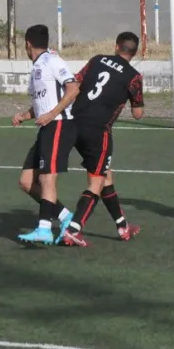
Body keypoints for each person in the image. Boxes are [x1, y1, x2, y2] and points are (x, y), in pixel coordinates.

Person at [60, 32, 144, 247]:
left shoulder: (97, 59)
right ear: (134, 53)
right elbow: (138, 114)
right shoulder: (133, 77)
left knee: (106, 174)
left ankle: (122, 225)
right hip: (98, 131)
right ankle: (74, 229)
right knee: (96, 181)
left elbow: (75, 82)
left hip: (75, 123)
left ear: (117, 47)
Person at [11, 25, 79, 246]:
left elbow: (74, 89)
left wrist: (51, 114)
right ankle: (65, 216)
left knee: (47, 178)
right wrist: (24, 115)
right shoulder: (37, 67)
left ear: (27, 44)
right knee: (26, 182)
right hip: (47, 127)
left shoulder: (52, 61)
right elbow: (41, 104)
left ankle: (44, 230)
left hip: (60, 124)